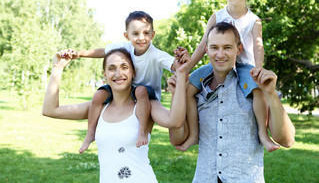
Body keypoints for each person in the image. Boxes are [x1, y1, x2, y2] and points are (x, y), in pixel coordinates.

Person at [169, 23, 295, 183]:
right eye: (214, 47)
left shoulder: (254, 84)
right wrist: (176, 93)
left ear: (239, 49)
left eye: (227, 47)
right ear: (206, 50)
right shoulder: (197, 89)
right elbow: (177, 139)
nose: (220, 54)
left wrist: (271, 94)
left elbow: (287, 140)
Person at [43, 47, 190, 183]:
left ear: (133, 73)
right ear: (105, 74)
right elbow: (50, 110)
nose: (118, 74)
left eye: (124, 67)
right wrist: (58, 68)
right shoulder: (99, 108)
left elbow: (175, 121)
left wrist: (178, 86)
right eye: (112, 68)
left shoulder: (145, 105)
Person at [182, 0, 278, 152]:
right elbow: (203, 45)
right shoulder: (217, 17)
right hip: (217, 64)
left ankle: (263, 134)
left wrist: (258, 67)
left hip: (243, 66)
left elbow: (258, 45)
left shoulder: (253, 20)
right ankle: (194, 134)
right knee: (188, 89)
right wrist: (187, 68)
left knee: (257, 90)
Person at [62, 11, 176, 153]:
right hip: (127, 89)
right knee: (98, 95)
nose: (141, 38)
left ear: (152, 34)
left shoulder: (156, 55)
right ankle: (90, 133)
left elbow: (175, 65)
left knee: (140, 90)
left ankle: (142, 131)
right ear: (127, 36)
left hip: (146, 93)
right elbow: (103, 52)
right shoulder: (126, 47)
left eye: (146, 33)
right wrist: (79, 54)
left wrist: (181, 60)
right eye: (135, 34)